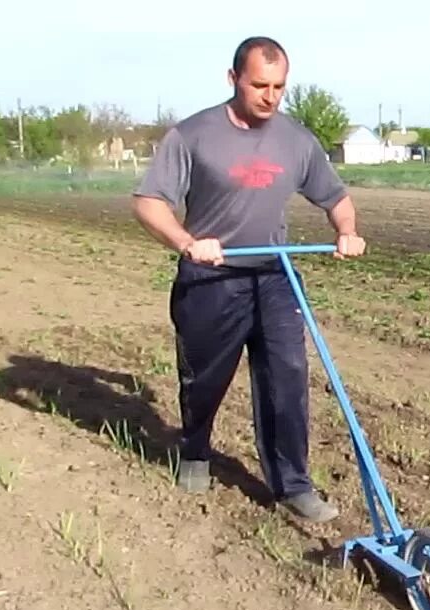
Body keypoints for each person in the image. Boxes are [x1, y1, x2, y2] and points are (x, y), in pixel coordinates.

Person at [130, 36, 364, 523]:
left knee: (288, 375)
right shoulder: (193, 135)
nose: (270, 96)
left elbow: (335, 197)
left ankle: (293, 485)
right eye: (260, 84)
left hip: (275, 275)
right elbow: (149, 202)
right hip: (211, 276)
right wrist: (187, 241)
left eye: (279, 86)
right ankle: (194, 452)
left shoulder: (297, 140)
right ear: (233, 78)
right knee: (204, 378)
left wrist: (347, 231)